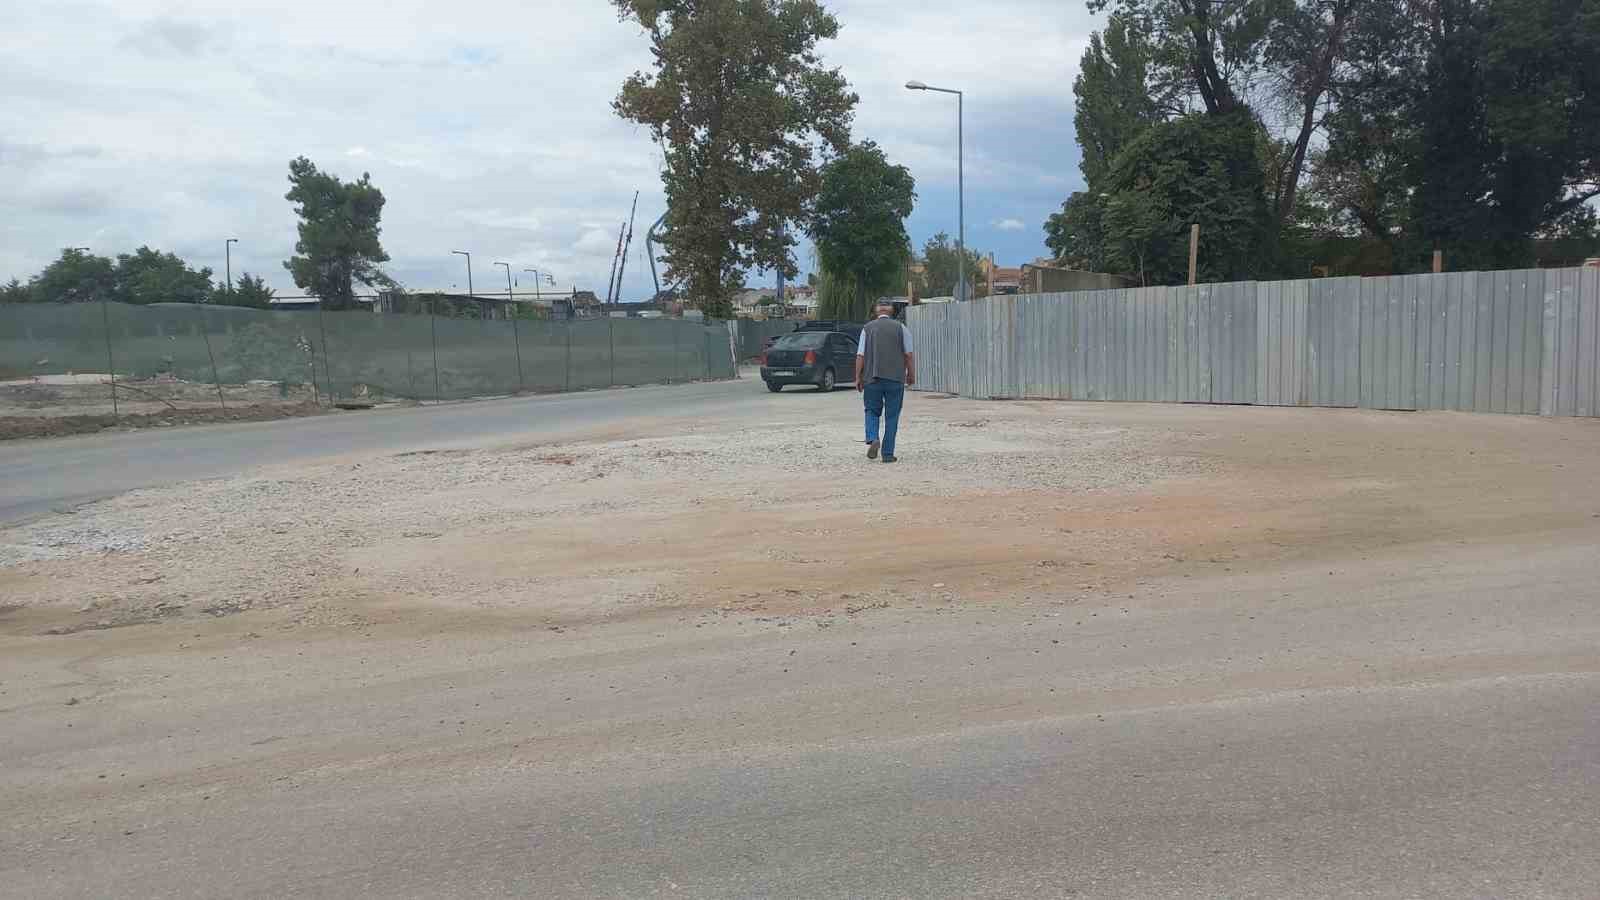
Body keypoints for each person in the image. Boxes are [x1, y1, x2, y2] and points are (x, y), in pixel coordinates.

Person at [855, 300, 915, 463]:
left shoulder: (867, 329)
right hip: (895, 379)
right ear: (892, 311)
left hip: (871, 378)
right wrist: (911, 374)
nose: (882, 305)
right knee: (892, 416)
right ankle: (887, 454)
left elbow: (860, 355)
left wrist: (857, 377)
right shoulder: (901, 328)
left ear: (875, 311)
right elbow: (908, 354)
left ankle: (873, 437)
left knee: (871, 411)